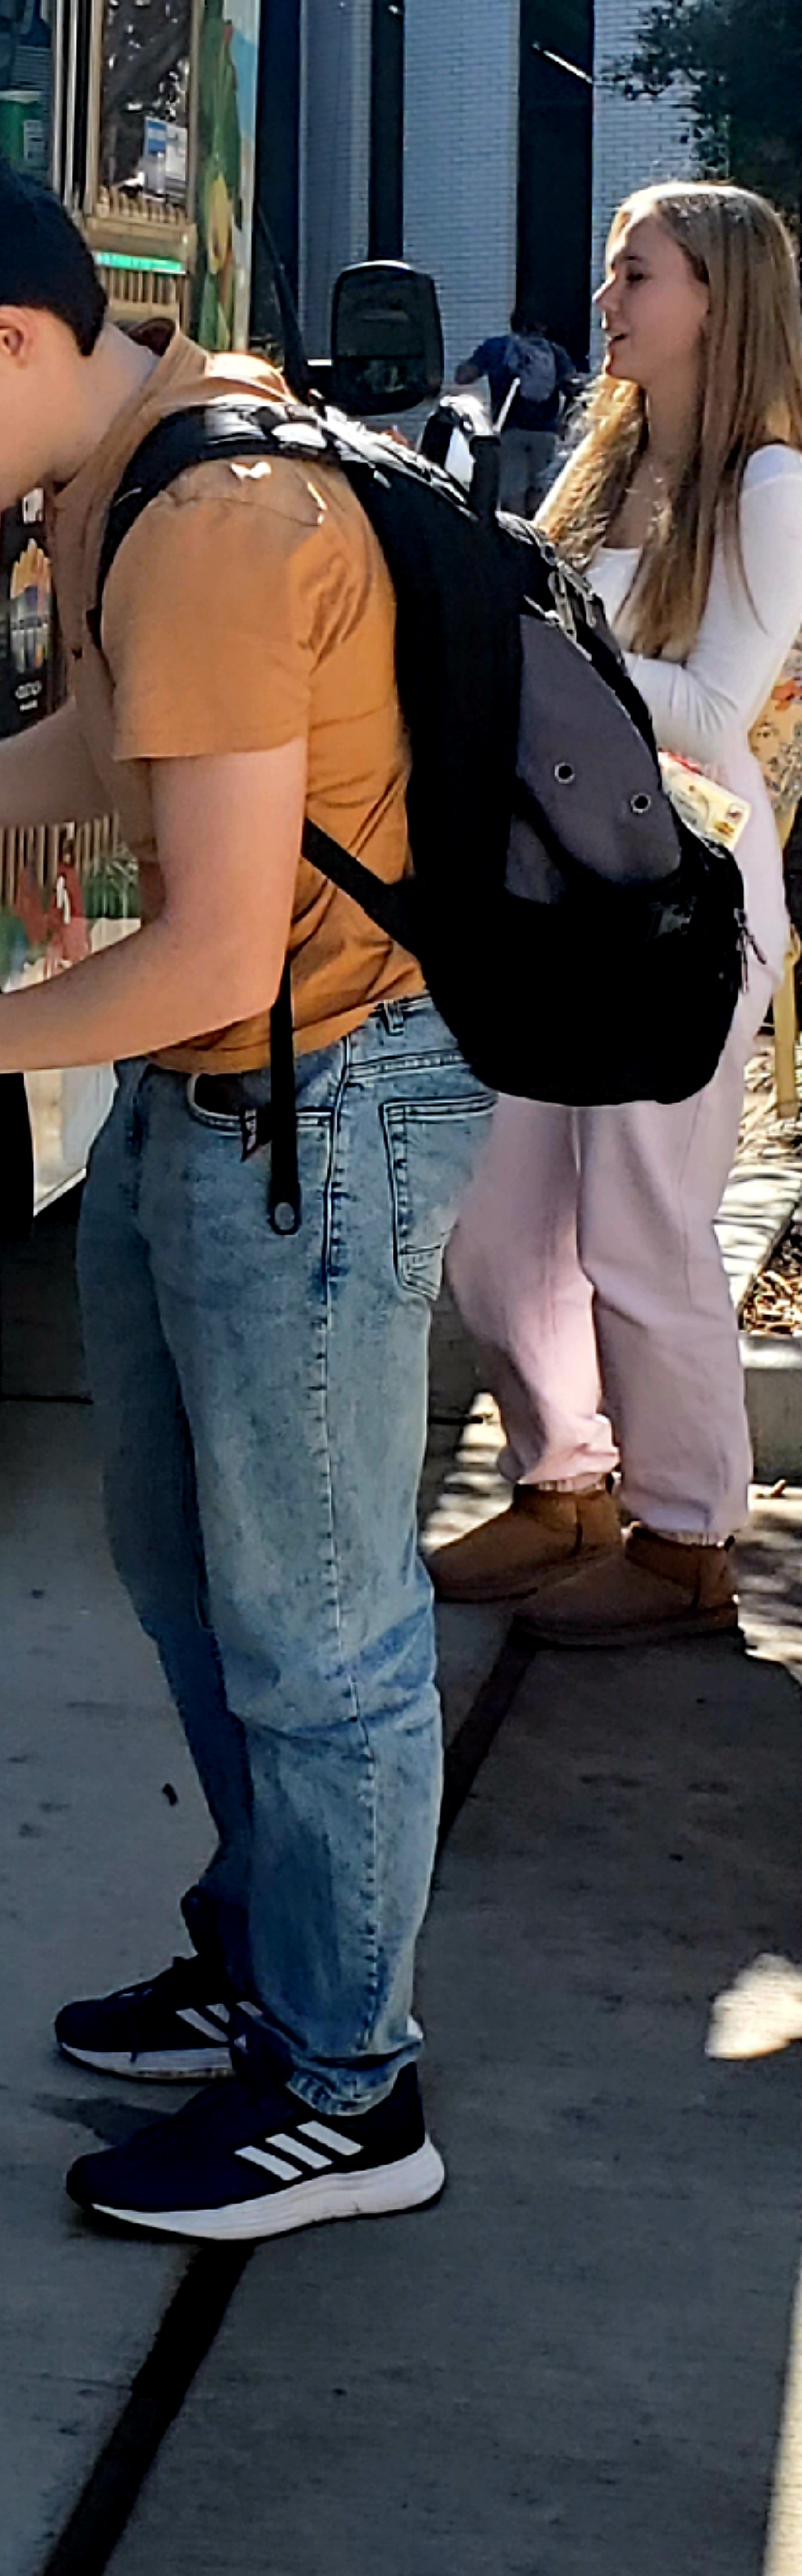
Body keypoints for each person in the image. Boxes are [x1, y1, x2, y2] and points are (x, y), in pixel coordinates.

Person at [0, 124, 491, 2245]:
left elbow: (209, 943)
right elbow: (125, 760)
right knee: (195, 1581)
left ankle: (350, 2087)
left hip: (319, 1096)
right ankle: (271, 1959)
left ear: (11, 336)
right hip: (245, 1096)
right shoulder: (156, 456)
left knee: (321, 1620)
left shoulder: (208, 518)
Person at [433, 184, 802, 1646]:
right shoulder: (607, 465)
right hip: (555, 896)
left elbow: (715, 712)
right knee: (498, 1224)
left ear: (714, 293)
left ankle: (685, 1532)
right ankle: (558, 1480)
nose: (604, 301)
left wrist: (546, 642)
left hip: (681, 908)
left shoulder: (768, 486)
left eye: (630, 274)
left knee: (641, 1231)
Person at [460, 307, 578, 434]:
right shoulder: (555, 352)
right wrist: (562, 422)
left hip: (507, 431)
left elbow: (463, 377)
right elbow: (574, 390)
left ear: (513, 324)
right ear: (542, 327)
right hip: (545, 434)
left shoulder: (497, 347)